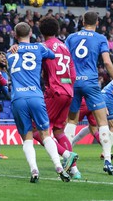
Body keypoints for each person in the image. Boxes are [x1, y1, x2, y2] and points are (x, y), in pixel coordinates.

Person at [7, 22, 70, 183]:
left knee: (27, 138)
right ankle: (59, 167)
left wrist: (15, 48)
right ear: (31, 33)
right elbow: (52, 55)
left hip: (18, 98)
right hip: (36, 96)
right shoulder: (40, 48)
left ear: (15, 36)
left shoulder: (10, 53)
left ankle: (34, 170)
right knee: (45, 134)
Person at [64, 11, 113, 175]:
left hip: (73, 82)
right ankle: (108, 161)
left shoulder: (71, 38)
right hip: (90, 82)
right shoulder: (100, 38)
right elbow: (107, 62)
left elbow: (64, 59)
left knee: (71, 122)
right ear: (97, 23)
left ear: (82, 20)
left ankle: (67, 157)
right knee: (102, 122)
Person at [27, 16, 79, 179]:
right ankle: (75, 171)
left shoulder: (43, 47)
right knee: (58, 131)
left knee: (36, 131)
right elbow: (73, 74)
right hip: (68, 92)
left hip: (54, 92)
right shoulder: (64, 47)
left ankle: (66, 155)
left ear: (41, 31)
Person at [71, 60, 113, 161]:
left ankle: (69, 145)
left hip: (102, 97)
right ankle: (106, 153)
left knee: (93, 127)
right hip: (108, 99)